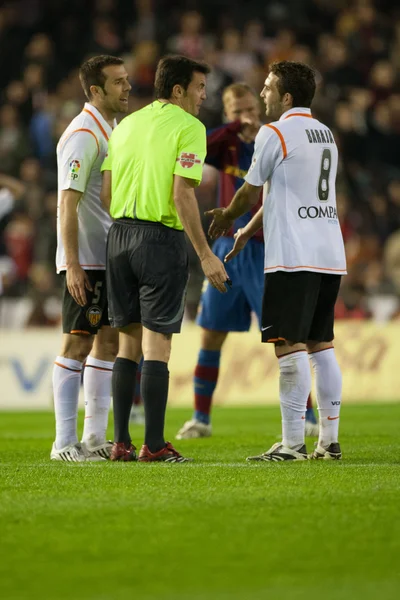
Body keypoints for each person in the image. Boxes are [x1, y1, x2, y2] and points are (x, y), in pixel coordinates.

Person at [208, 61, 346, 461]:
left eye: (268, 87)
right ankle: (329, 441)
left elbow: (250, 192)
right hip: (327, 251)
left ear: (286, 97)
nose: (262, 94)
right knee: (322, 346)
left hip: (293, 255)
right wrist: (248, 232)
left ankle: (291, 445)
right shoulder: (325, 134)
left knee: (287, 345)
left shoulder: (275, 132)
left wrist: (227, 216)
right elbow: (284, 193)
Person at [101, 55, 229, 463]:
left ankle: (120, 442)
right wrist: (206, 254)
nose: (203, 95)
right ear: (178, 91)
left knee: (127, 346)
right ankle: (153, 445)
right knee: (156, 349)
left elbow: (106, 193)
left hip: (118, 236)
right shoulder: (190, 127)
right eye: (199, 88)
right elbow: (181, 194)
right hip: (159, 240)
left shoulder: (125, 125)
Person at [176, 82, 318, 440]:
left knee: (283, 336)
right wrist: (233, 128)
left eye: (252, 109)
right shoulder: (225, 144)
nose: (248, 117)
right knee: (210, 335)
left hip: (265, 248)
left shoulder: (272, 139)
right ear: (227, 114)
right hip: (227, 249)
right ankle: (200, 419)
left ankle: (310, 415)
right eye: (238, 111)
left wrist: (255, 131)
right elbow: (198, 144)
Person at [51, 55, 131, 462]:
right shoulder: (84, 133)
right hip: (86, 258)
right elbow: (67, 202)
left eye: (126, 79)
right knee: (76, 344)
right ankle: (63, 443)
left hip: (107, 255)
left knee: (108, 343)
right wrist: (74, 264)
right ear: (95, 90)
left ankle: (95, 438)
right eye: (118, 82)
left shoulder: (110, 127)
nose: (127, 87)